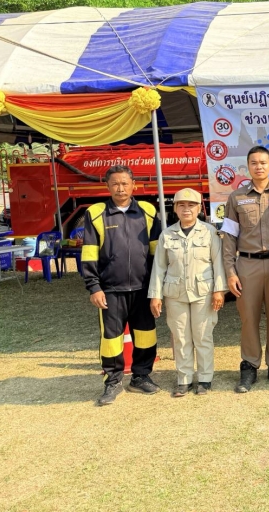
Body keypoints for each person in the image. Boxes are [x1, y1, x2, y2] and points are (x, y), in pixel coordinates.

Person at [82, 165, 162, 406]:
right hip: (110, 290)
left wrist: (157, 288)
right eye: (115, 183)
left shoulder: (148, 211)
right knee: (111, 338)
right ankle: (113, 381)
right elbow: (89, 252)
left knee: (146, 335)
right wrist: (94, 287)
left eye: (125, 183)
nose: (120, 188)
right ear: (107, 186)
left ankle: (141, 376)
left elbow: (157, 254)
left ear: (134, 185)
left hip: (143, 289)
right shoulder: (96, 213)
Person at [220, 146, 269, 393]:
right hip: (247, 265)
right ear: (248, 166)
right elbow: (229, 237)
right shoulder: (236, 197)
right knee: (248, 318)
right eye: (254, 163)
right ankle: (250, 366)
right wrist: (230, 272)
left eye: (263, 162)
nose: (259, 166)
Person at [148, 188, 227, 397]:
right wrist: (155, 295)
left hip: (203, 292)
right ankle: (184, 379)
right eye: (181, 205)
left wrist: (219, 291)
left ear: (199, 208)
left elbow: (218, 263)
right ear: (174, 208)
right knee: (181, 336)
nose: (186, 209)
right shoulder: (167, 234)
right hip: (175, 293)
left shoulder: (209, 232)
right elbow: (159, 267)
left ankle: (205, 378)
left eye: (191, 205)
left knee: (203, 336)